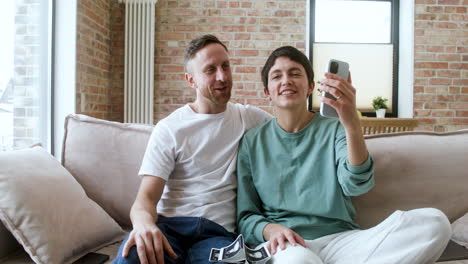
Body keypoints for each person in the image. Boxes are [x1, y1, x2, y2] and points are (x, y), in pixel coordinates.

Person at [236, 46, 451, 264]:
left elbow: (356, 185)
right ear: (267, 91)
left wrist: (351, 121)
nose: (286, 81)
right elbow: (246, 216)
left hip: (342, 243)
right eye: (276, 76)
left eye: (295, 73)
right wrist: (270, 229)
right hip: (288, 245)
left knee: (435, 223)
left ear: (311, 86)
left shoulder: (336, 128)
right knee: (299, 261)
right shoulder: (252, 141)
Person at [113, 35, 271, 264]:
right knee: (133, 257)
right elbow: (144, 199)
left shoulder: (247, 118)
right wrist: (143, 225)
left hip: (218, 234)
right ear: (191, 80)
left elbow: (291, 128)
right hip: (170, 228)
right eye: (210, 70)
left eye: (225, 66)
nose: (222, 76)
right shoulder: (170, 128)